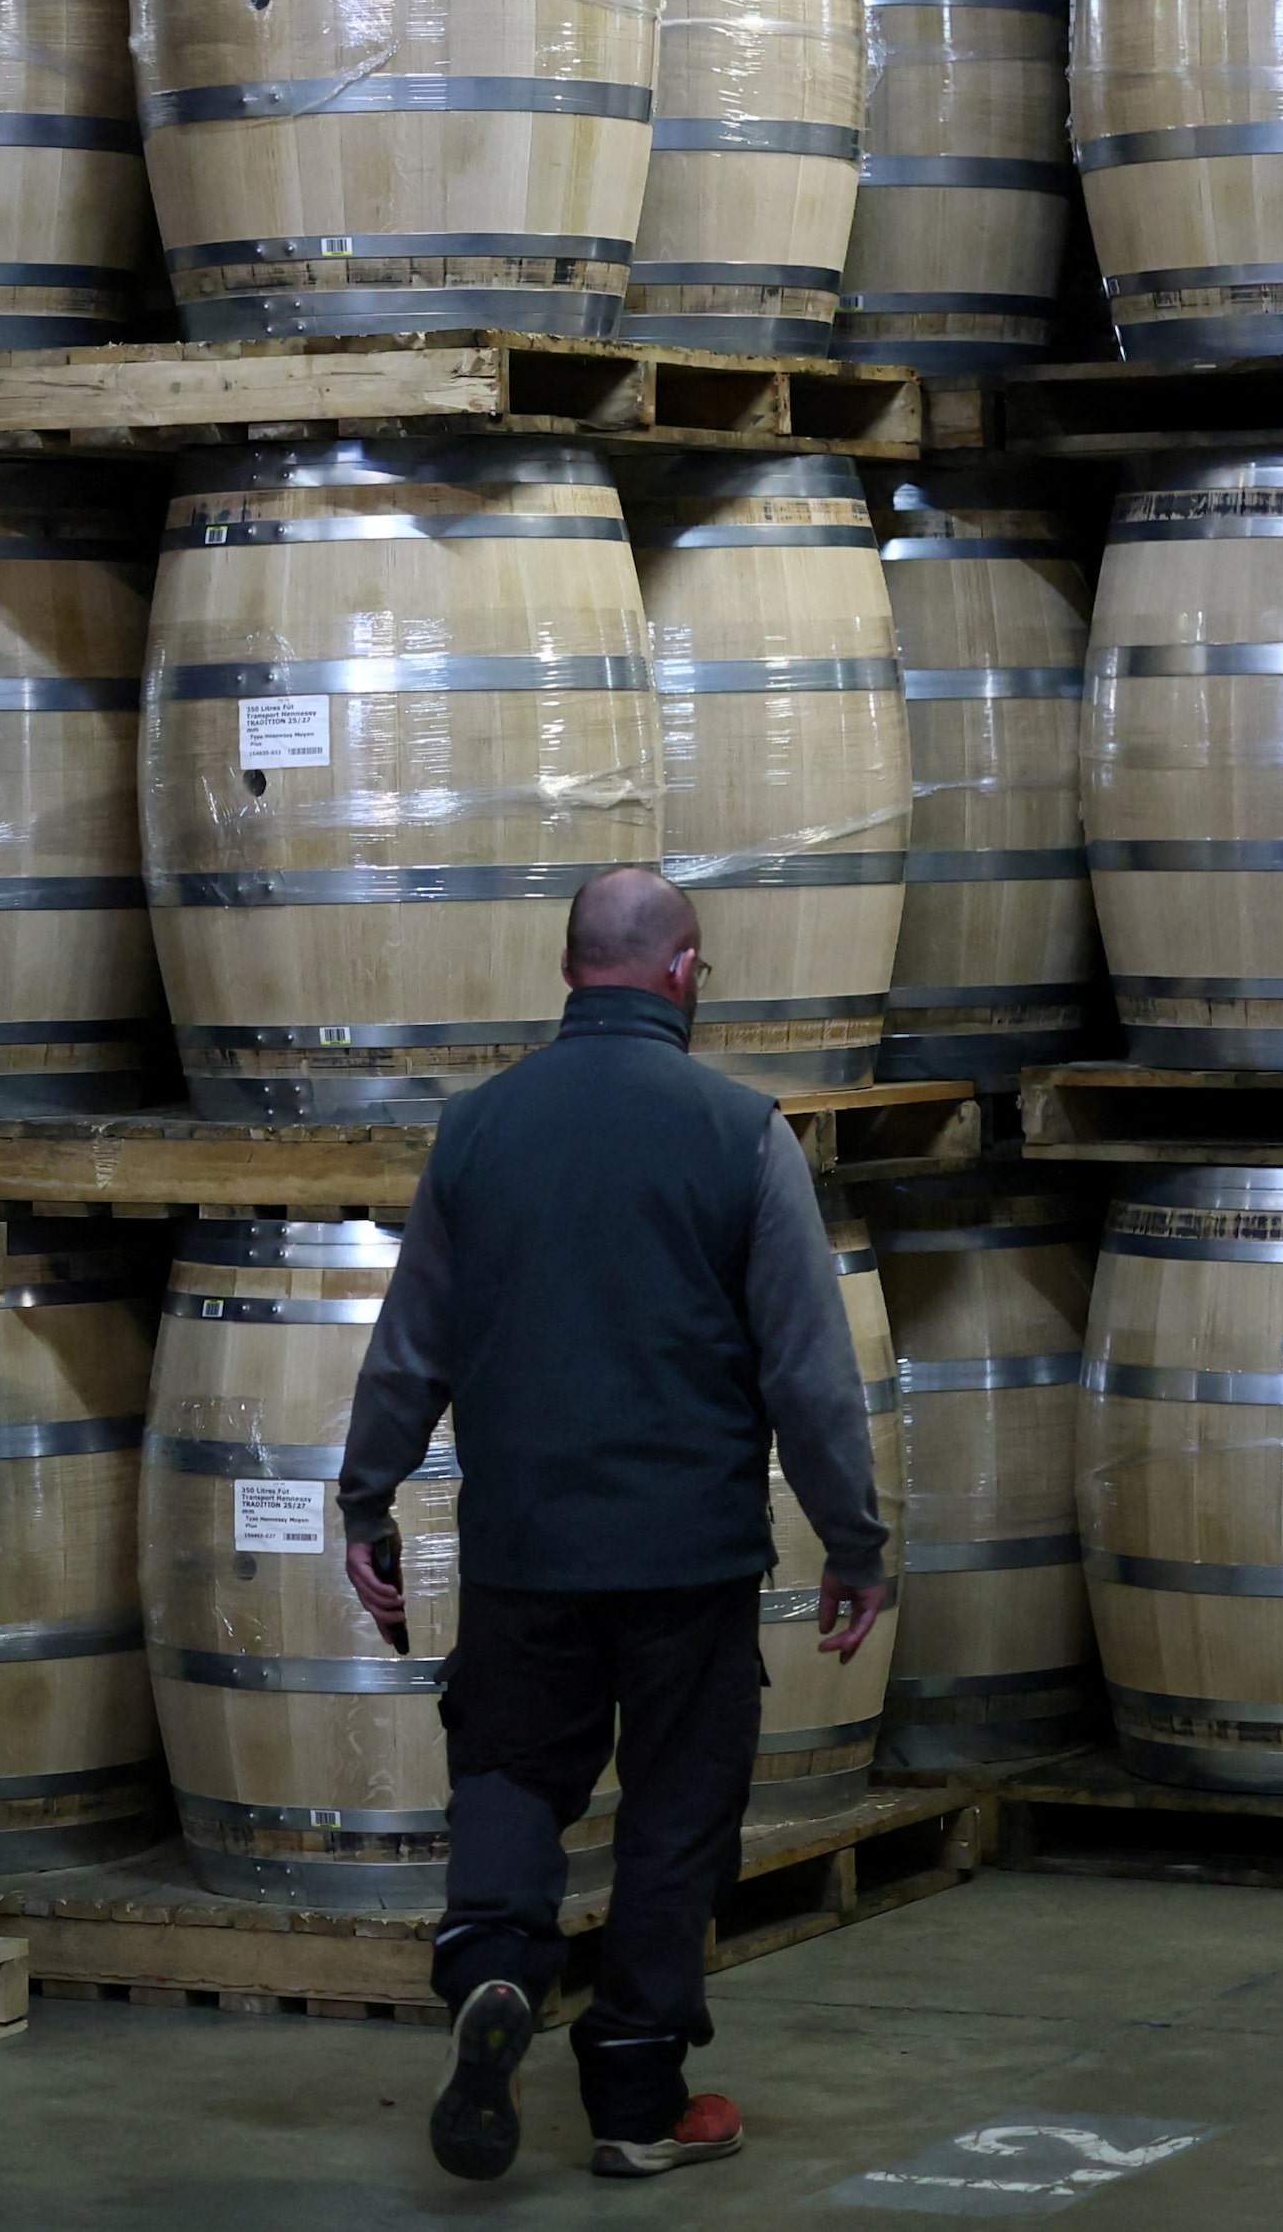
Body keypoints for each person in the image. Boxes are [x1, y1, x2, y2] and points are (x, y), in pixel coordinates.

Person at [332, 863, 888, 2184]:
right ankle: (637, 2097)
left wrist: (366, 1498)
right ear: (685, 971)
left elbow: (412, 1344)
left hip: (526, 1544)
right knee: (678, 1807)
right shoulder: (743, 1132)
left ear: (568, 967)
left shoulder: (477, 1129)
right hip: (689, 1553)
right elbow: (809, 1371)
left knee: (511, 1770)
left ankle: (492, 1964)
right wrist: (854, 1538)